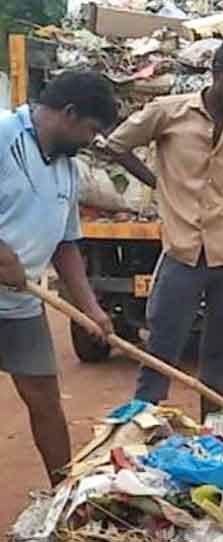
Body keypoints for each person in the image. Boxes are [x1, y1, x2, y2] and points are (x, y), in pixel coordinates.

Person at [105, 36, 223, 420]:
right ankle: (143, 423)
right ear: (217, 75)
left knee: (220, 350)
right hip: (183, 252)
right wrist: (157, 182)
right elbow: (116, 145)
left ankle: (213, 427)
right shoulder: (168, 113)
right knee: (162, 347)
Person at [0, 71, 117, 486]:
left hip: (20, 306)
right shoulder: (3, 135)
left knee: (45, 403)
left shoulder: (68, 169)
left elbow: (66, 247)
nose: (91, 139)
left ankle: (63, 494)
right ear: (69, 113)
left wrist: (91, 309)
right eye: (91, 129)